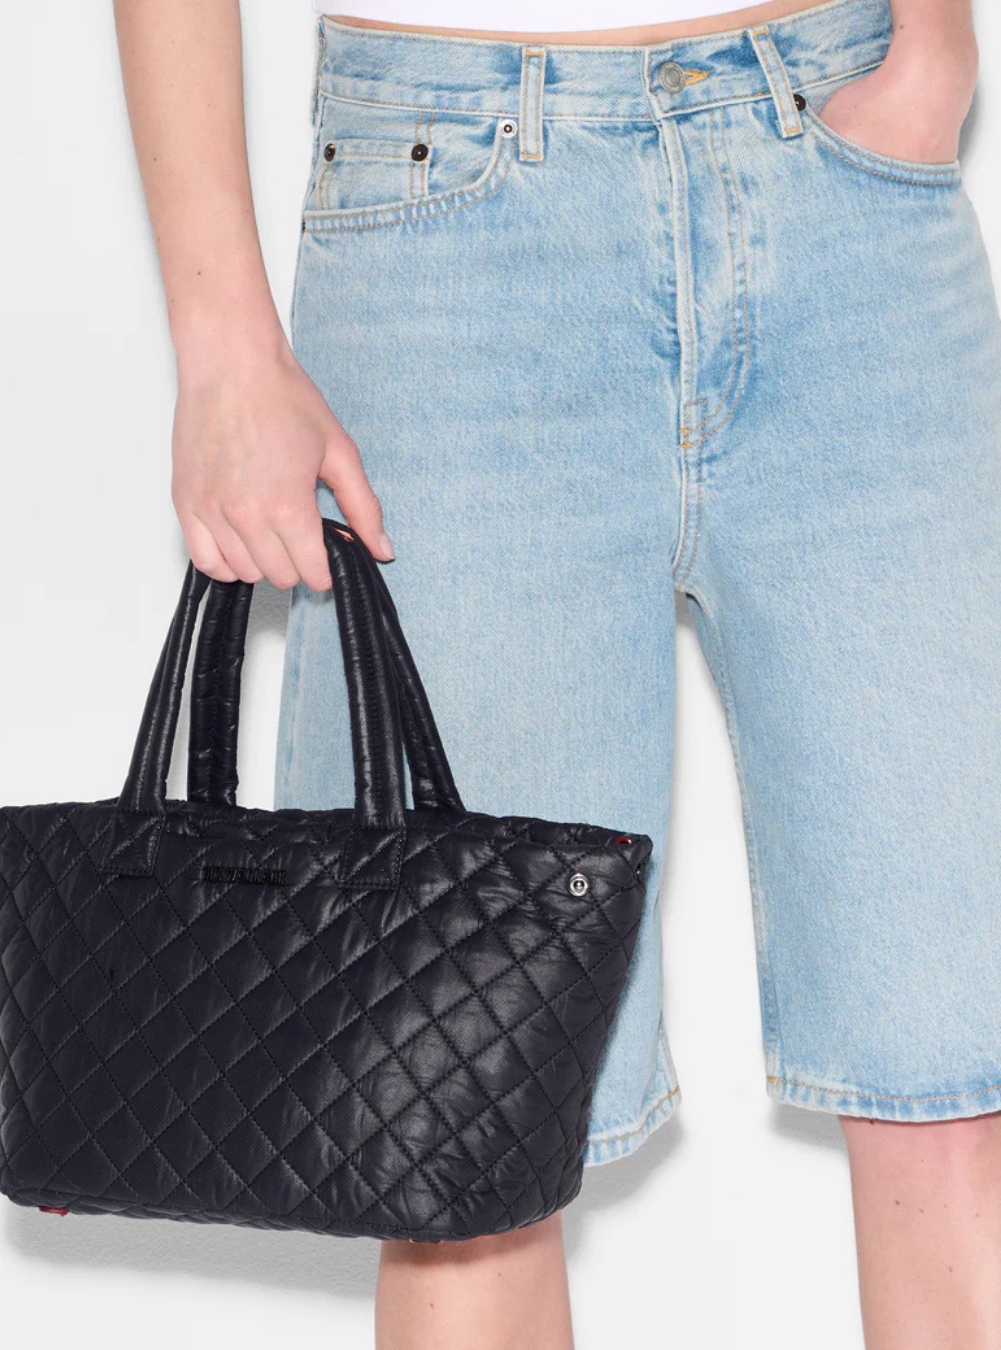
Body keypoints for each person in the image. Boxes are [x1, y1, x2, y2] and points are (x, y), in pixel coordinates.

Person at [111, 0, 1000, 1346]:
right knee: (463, 1132)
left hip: (843, 181)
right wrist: (224, 341)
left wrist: (934, 44)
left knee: (955, 1077)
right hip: (450, 228)